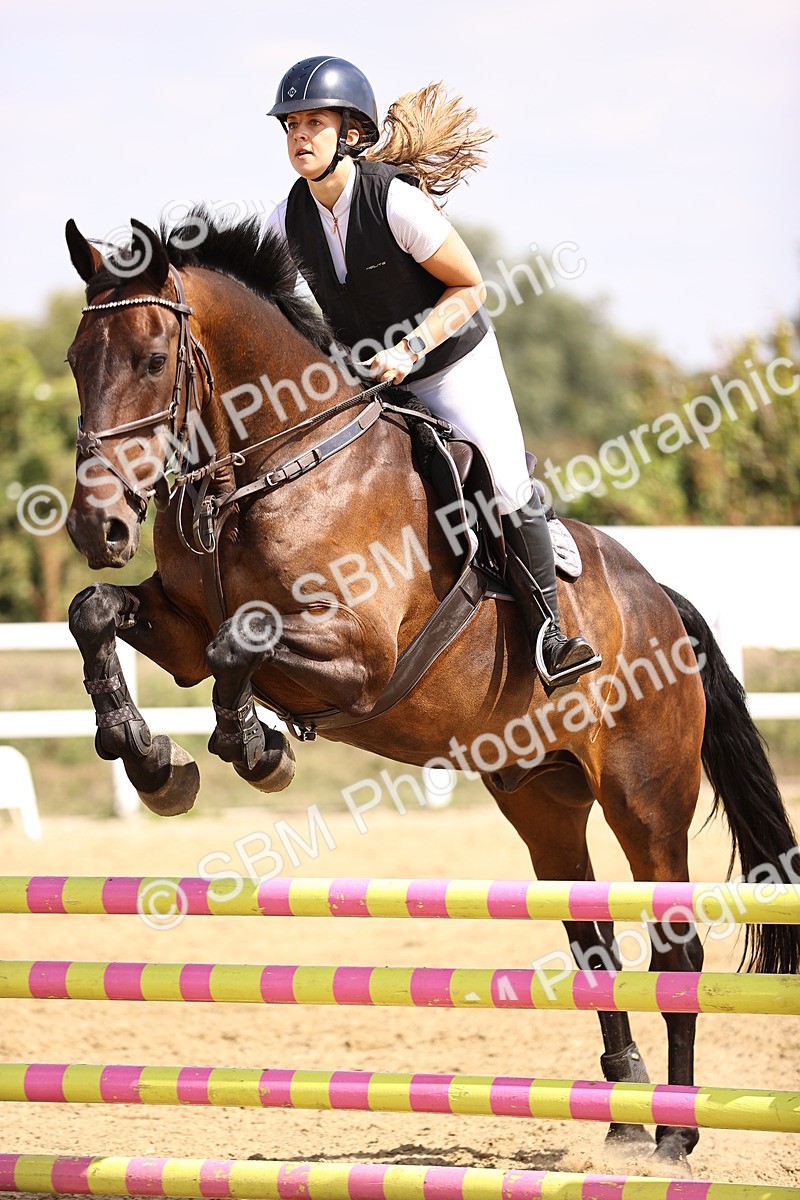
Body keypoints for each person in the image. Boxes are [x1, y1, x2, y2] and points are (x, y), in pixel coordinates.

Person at [264, 55, 600, 690]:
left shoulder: (395, 202)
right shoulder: (285, 220)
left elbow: (470, 287)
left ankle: (551, 637)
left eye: (314, 123)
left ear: (350, 133)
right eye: (291, 126)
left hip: (450, 364)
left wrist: (410, 349)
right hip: (370, 377)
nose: (299, 136)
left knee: (504, 484)